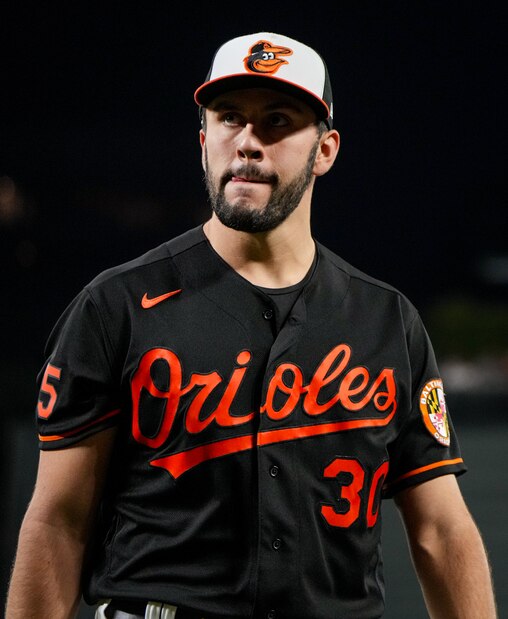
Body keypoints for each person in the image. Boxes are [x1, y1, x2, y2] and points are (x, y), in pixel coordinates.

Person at [6, 31, 496, 619]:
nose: (247, 143)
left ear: (326, 150)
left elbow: (442, 529)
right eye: (230, 118)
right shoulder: (117, 306)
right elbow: (58, 521)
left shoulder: (385, 320)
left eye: (278, 121)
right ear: (203, 140)